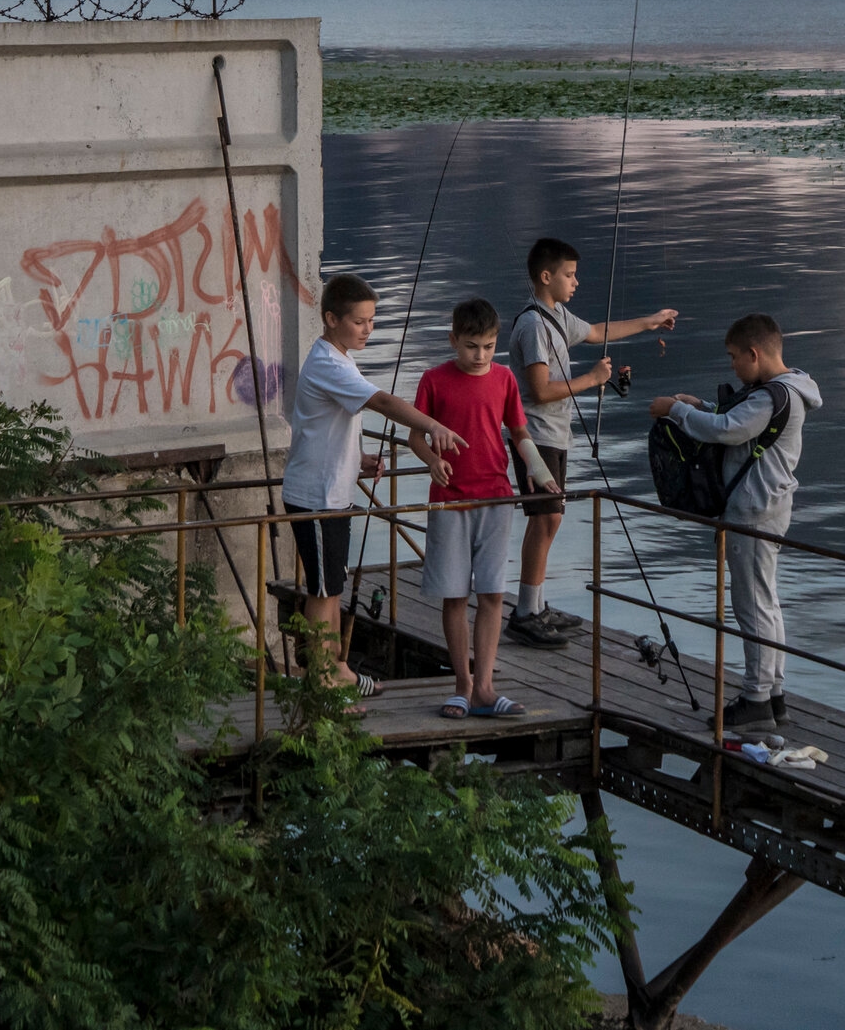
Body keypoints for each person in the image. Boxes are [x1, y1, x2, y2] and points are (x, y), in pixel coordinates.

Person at [280, 272, 464, 692]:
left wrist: (357, 458)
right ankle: (322, 677)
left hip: (333, 492)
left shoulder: (340, 359)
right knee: (323, 591)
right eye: (359, 321)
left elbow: (325, 427)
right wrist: (432, 424)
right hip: (315, 497)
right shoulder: (328, 362)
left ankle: (335, 669)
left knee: (333, 587)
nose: (368, 329)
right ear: (331, 318)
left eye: (372, 320)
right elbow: (381, 401)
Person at [648, 311, 821, 729]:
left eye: (733, 357)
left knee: (752, 606)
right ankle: (773, 692)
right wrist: (700, 405)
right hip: (768, 510)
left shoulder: (769, 397)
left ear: (754, 353)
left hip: (753, 513)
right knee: (767, 601)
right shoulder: (781, 391)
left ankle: (757, 698)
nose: (731, 365)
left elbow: (727, 430)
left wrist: (675, 411)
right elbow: (740, 423)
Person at [504, 237, 677, 647]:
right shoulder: (532, 324)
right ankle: (526, 612)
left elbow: (598, 331)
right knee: (544, 517)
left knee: (552, 517)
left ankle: (536, 604)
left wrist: (649, 322)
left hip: (555, 435)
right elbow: (540, 390)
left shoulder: (557, 315)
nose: (576, 281)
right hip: (534, 435)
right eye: (569, 274)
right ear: (546, 277)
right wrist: (593, 380)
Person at [408, 297, 561, 718]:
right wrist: (432, 460)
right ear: (454, 339)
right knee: (455, 595)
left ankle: (487, 687)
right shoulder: (433, 380)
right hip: (450, 500)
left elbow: (519, 431)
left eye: (489, 346)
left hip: (497, 497)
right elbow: (415, 438)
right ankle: (463, 684)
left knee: (492, 593)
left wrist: (541, 472)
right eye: (472, 346)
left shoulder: (506, 379)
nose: (480, 356)